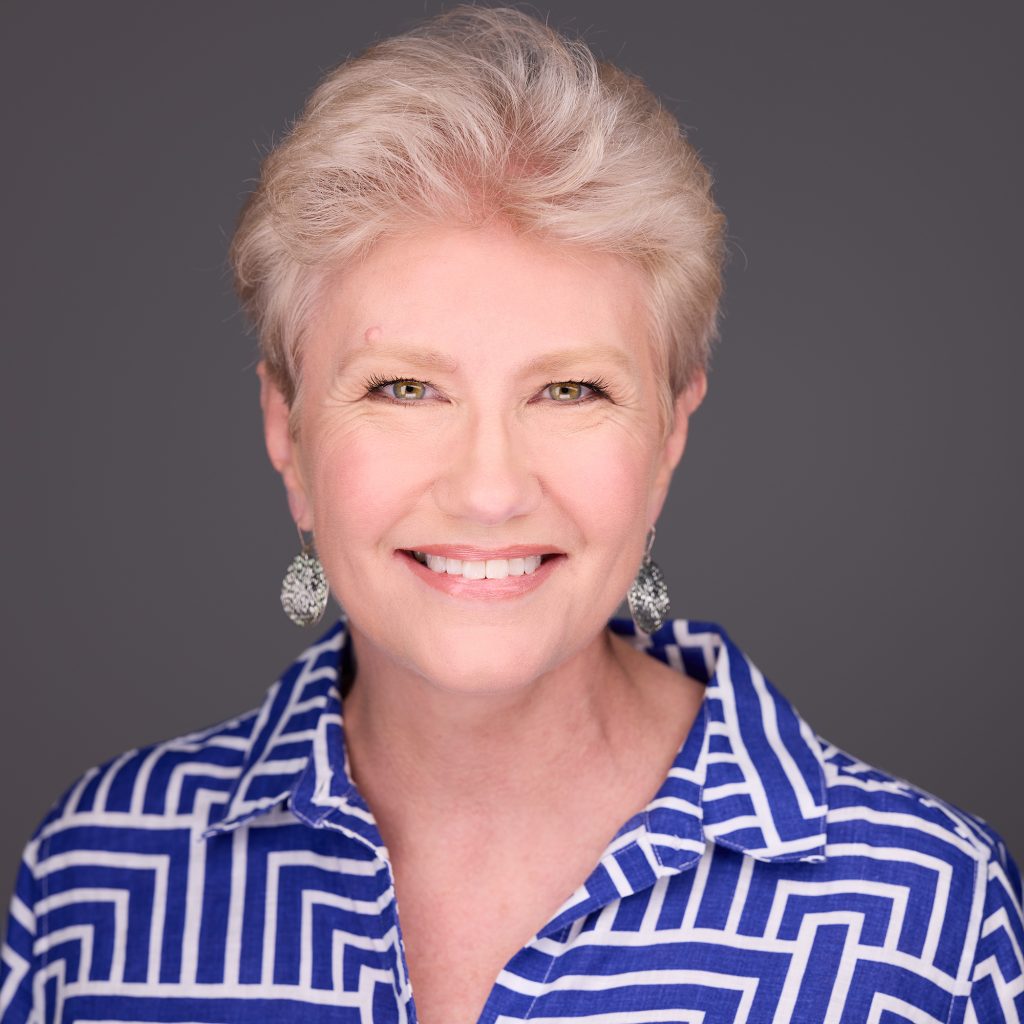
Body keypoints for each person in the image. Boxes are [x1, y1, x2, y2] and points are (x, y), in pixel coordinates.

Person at [2, 6, 1021, 1023]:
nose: (490, 489)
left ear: (668, 433)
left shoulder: (928, 922)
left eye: (570, 390)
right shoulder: (99, 879)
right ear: (287, 428)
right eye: (404, 388)